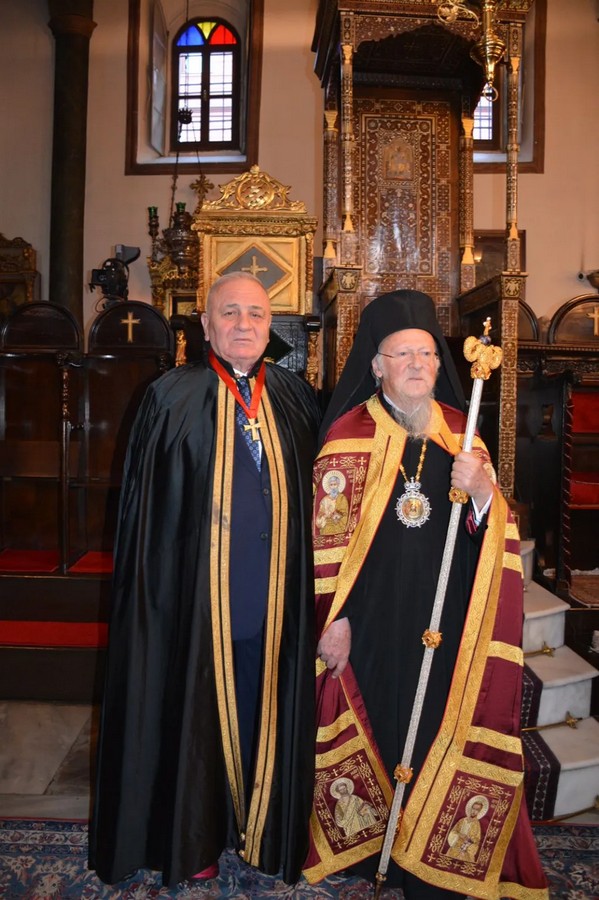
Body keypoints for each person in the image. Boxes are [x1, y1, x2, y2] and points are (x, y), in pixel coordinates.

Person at [303, 290, 548, 900]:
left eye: (426, 353)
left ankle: (430, 854)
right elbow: (325, 548)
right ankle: (373, 849)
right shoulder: (348, 436)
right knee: (379, 721)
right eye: (401, 353)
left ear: (440, 363)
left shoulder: (462, 433)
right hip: (371, 623)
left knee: (440, 725)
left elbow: (494, 540)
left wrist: (484, 492)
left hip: (450, 622)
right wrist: (333, 620)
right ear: (376, 365)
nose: (416, 364)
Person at [89, 271, 320, 888]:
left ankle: (265, 834)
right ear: (206, 324)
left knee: (263, 713)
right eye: (230, 312)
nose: (244, 324)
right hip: (195, 604)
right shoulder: (170, 396)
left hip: (277, 602)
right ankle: (195, 838)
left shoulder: (297, 399)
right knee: (197, 724)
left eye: (256, 314)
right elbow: (146, 519)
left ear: (271, 327)